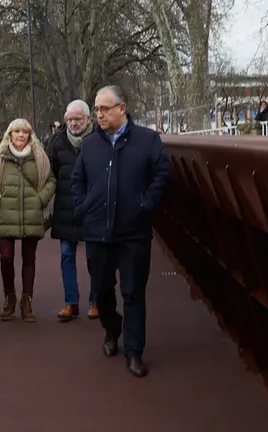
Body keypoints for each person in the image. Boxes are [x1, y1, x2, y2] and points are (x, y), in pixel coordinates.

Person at [71, 85, 171, 378]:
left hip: (133, 231)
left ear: (121, 109)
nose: (98, 115)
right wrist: (84, 206)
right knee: (101, 290)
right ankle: (111, 329)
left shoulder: (147, 140)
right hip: (97, 231)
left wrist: (145, 204)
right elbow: (77, 180)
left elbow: (162, 176)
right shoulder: (90, 144)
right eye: (96, 110)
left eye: (103, 109)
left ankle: (134, 351)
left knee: (133, 292)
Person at [0, 118, 56, 321]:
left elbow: (51, 180)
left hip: (31, 214)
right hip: (5, 214)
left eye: (25, 132)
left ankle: (27, 300)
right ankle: (9, 296)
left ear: (30, 135)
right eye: (16, 131)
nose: (20, 135)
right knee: (6, 258)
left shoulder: (39, 156)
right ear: (9, 135)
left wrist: (40, 199)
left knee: (29, 259)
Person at [46, 100, 98, 322]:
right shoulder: (57, 141)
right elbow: (51, 172)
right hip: (66, 206)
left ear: (88, 119)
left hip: (93, 205)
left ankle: (96, 302)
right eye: (70, 119)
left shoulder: (99, 139)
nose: (73, 123)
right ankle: (71, 302)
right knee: (67, 255)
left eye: (78, 119)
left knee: (94, 256)